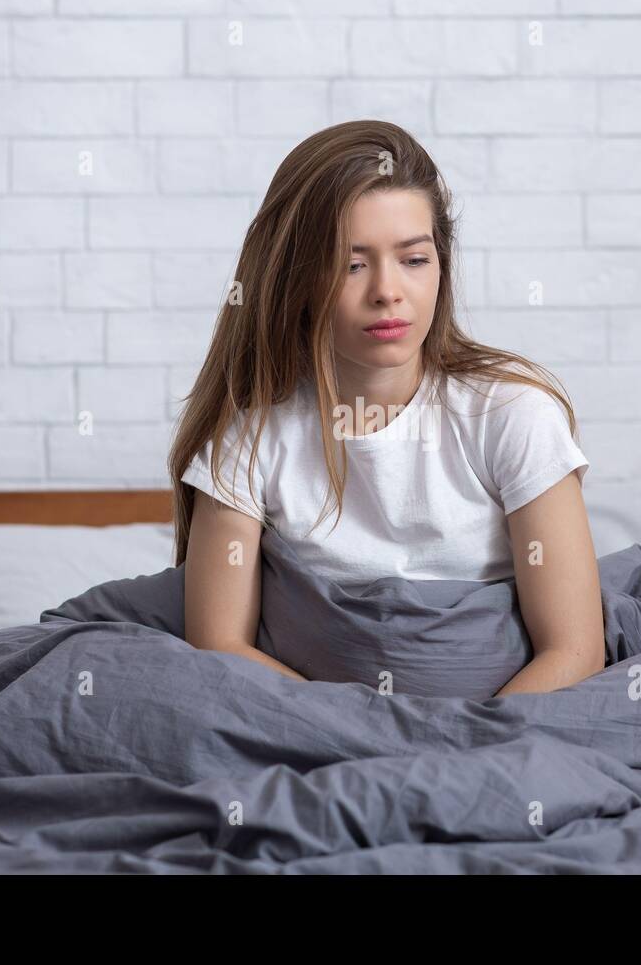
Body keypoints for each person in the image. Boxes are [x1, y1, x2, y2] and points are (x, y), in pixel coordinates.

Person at [168, 120, 605, 696]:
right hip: (322, 733)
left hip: (496, 736)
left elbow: (574, 650)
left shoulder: (512, 416)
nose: (387, 291)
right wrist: (374, 737)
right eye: (353, 264)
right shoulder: (249, 440)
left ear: (441, 267)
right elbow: (220, 647)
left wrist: (460, 754)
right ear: (297, 278)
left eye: (414, 260)